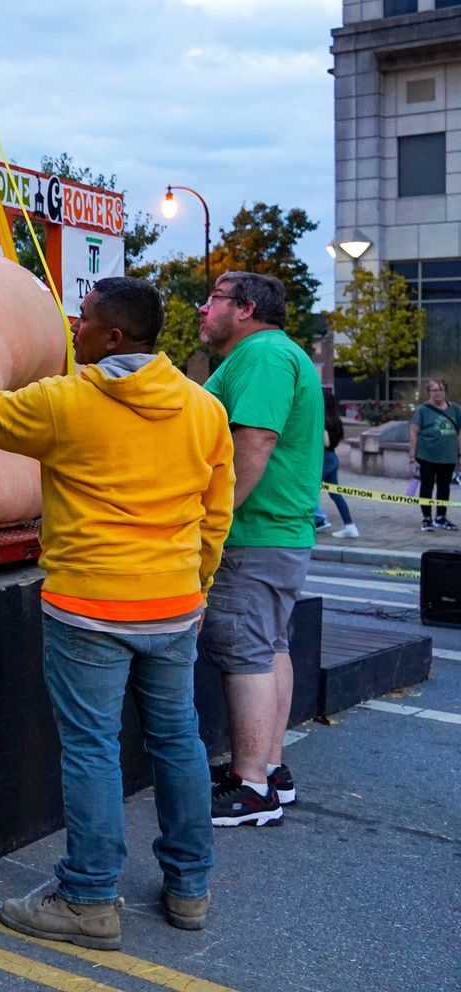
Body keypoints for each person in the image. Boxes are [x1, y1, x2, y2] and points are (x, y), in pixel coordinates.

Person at [0, 275, 232, 949]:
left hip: (88, 608)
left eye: (82, 318)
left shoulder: (66, 403)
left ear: (112, 336)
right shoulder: (203, 409)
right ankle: (190, 889)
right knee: (178, 743)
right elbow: (217, 514)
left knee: (92, 750)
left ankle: (89, 899)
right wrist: (196, 587)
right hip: (173, 607)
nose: (72, 324)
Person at [196, 271, 322, 827]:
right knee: (271, 647)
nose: (203, 309)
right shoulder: (277, 353)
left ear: (245, 308)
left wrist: (212, 522)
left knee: (245, 651)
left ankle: (251, 787)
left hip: (252, 533)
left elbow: (254, 441)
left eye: (214, 299)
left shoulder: (265, 356)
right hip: (277, 534)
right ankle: (269, 770)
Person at [409, 378, 461, 531]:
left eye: (441, 390)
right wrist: (412, 457)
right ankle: (426, 518)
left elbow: (459, 433)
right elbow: (413, 432)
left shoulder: (455, 410)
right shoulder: (422, 410)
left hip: (448, 456)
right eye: (434, 390)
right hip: (427, 455)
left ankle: (441, 517)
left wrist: (460, 455)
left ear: (445, 392)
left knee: (444, 487)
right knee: (427, 485)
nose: (438, 393)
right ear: (429, 393)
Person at [318, 390, 357, 539]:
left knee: (309, 491)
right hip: (333, 457)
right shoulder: (336, 420)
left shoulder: (322, 419)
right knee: (335, 494)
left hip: (324, 458)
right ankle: (350, 526)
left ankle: (317, 521)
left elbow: (325, 441)